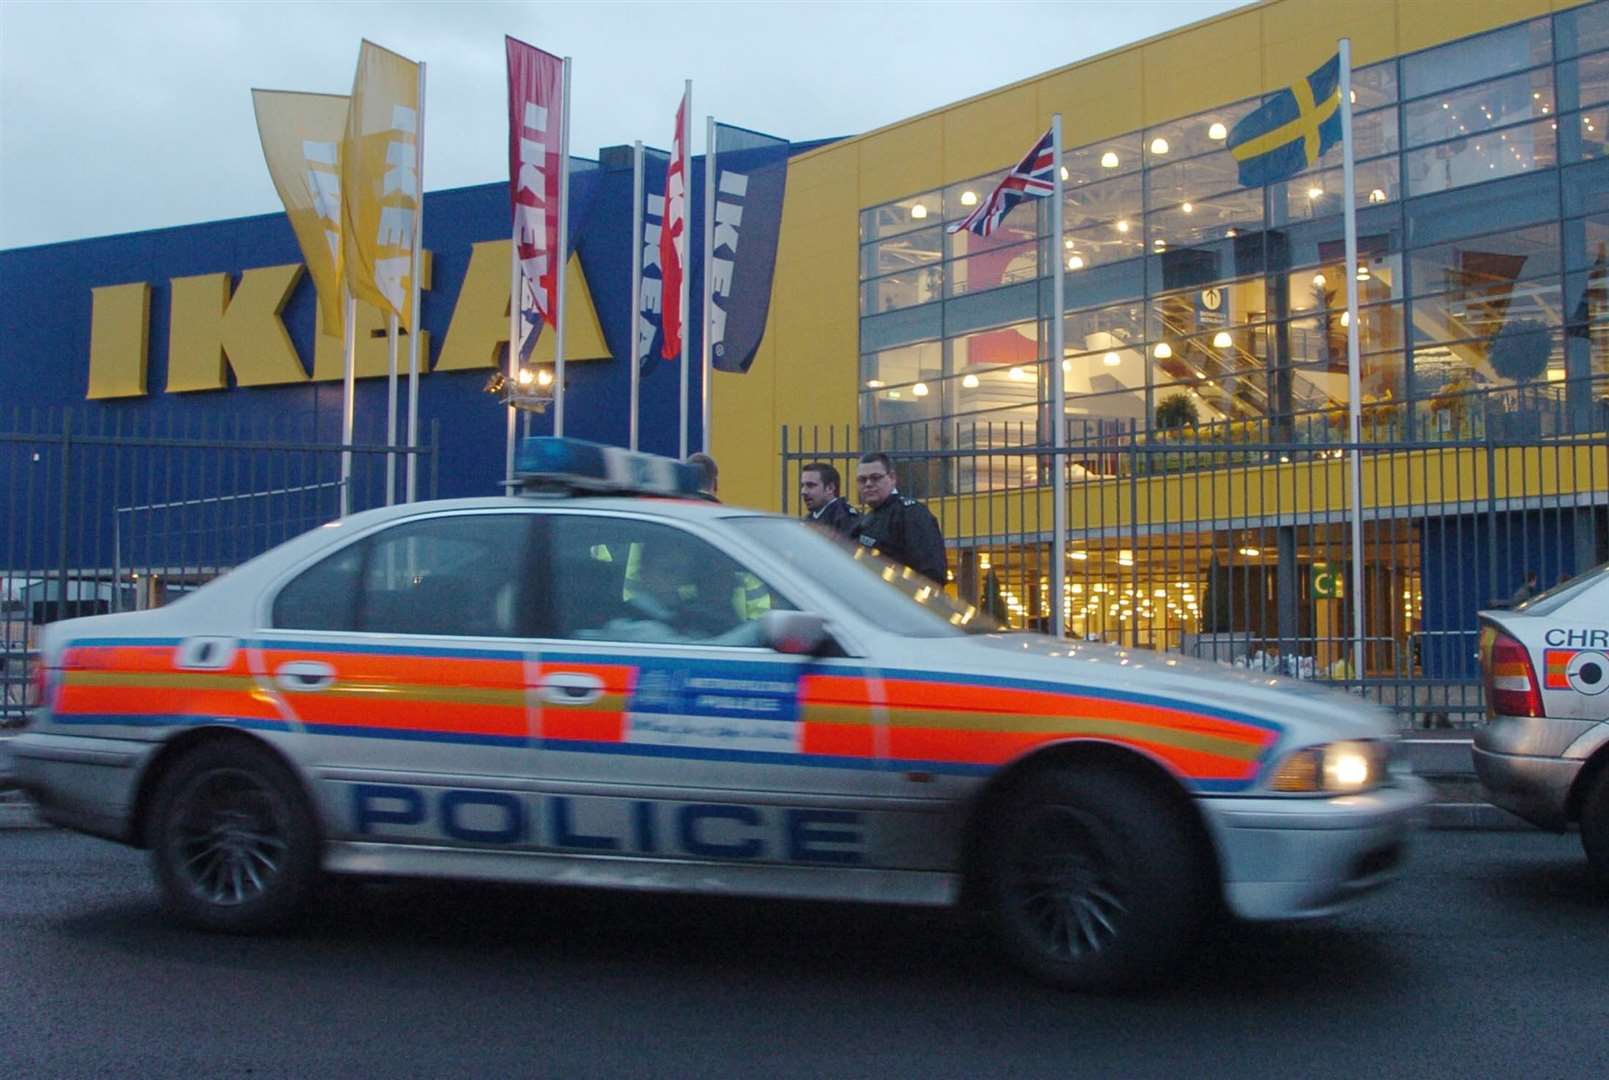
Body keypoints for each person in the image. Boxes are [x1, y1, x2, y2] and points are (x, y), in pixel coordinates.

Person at [853, 451, 947, 585]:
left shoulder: (911, 514)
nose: (868, 484)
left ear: (892, 478)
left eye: (875, 477)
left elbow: (931, 573)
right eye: (862, 480)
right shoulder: (869, 518)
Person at [799, 461, 859, 539]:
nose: (803, 491)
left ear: (830, 488)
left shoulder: (844, 518)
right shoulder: (810, 518)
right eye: (802, 486)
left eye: (810, 485)